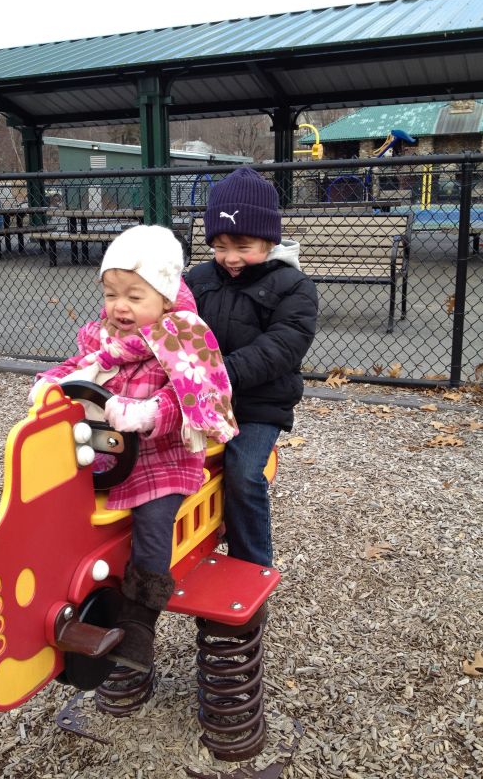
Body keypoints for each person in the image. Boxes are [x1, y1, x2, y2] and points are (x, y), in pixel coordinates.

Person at [29, 225, 237, 672]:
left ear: (165, 299)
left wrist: (147, 413)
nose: (119, 306)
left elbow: (190, 397)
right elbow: (80, 366)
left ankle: (140, 623)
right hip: (106, 456)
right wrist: (51, 383)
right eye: (111, 294)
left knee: (153, 520)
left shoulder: (184, 340)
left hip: (163, 459)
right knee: (57, 502)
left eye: (134, 296)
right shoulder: (103, 338)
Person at [186, 167, 318, 569]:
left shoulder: (294, 286)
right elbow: (172, 323)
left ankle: (251, 564)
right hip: (200, 399)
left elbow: (283, 345)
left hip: (258, 405)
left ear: (269, 239)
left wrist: (221, 372)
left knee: (242, 474)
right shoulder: (198, 278)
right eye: (220, 246)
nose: (230, 257)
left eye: (243, 246)